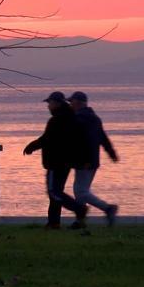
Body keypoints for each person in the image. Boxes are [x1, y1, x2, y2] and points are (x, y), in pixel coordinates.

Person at [24, 91, 88, 229]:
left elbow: (47, 139)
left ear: (57, 103)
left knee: (54, 192)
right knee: (56, 192)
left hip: (55, 162)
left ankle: (78, 208)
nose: (48, 106)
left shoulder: (57, 120)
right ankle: (54, 222)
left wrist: (31, 146)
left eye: (50, 103)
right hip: (66, 162)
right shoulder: (71, 118)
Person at [68, 91, 119, 226]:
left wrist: (86, 160)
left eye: (71, 102)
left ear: (78, 103)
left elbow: (87, 141)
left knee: (81, 191)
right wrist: (111, 153)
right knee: (80, 190)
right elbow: (103, 138)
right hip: (90, 160)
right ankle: (80, 220)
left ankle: (107, 208)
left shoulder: (80, 119)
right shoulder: (94, 118)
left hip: (85, 161)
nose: (70, 105)